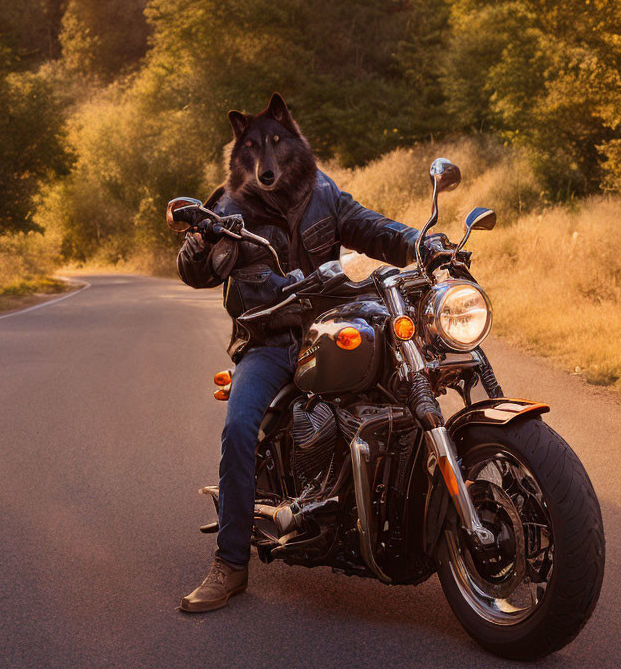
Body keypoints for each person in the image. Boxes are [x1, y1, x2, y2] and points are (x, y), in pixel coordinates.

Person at [176, 94, 432, 612]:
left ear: (292, 142)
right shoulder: (229, 209)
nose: (266, 160)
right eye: (253, 149)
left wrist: (421, 243)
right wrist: (199, 240)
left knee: (409, 374)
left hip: (330, 324)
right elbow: (196, 271)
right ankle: (230, 565)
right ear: (241, 155)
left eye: (275, 144)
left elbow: (371, 227)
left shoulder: (324, 193)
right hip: (269, 340)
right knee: (239, 427)